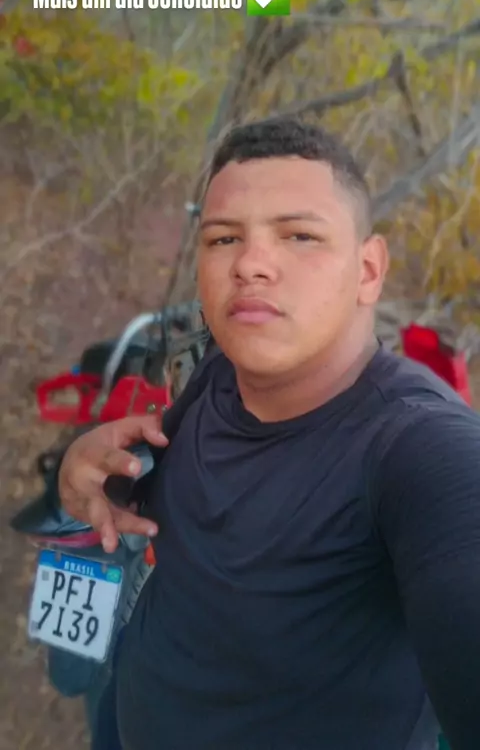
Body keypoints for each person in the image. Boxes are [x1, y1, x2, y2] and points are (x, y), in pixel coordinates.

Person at [59, 117, 480, 750]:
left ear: (369, 270)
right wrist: (92, 474)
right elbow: (188, 493)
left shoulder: (420, 451)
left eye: (300, 235)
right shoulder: (220, 371)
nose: (250, 264)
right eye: (224, 238)